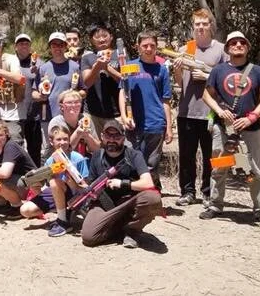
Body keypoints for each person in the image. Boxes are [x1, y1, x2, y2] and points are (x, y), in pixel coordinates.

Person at [200, 31, 260, 228]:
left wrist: (252, 117)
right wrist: (219, 111)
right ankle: (215, 205)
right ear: (227, 48)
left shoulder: (257, 71)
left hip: (249, 130)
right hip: (223, 129)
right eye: (233, 42)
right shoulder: (218, 71)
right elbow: (206, 95)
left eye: (242, 42)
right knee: (219, 167)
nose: (238, 45)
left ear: (247, 47)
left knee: (253, 170)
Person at [172, 9, 228, 206]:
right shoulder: (186, 48)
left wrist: (207, 76)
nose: (201, 27)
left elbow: (228, 79)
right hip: (187, 111)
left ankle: (208, 192)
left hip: (211, 112)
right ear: (193, 26)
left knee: (211, 155)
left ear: (211, 25)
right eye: (197, 24)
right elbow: (180, 83)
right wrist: (177, 69)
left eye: (204, 23)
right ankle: (187, 192)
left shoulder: (221, 50)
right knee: (186, 155)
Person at [80, 119, 163, 248]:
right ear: (102, 137)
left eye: (116, 136)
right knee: (88, 237)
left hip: (128, 203)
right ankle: (121, 227)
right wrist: (87, 189)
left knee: (152, 198)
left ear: (123, 138)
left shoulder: (134, 155)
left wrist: (123, 183)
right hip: (104, 204)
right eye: (108, 136)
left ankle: (132, 231)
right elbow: (90, 184)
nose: (112, 140)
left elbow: (148, 183)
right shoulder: (96, 156)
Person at [118, 30, 172, 189]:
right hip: (133, 124)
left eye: (152, 45)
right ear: (138, 47)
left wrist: (169, 127)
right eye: (145, 45)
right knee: (131, 160)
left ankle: (151, 192)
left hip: (155, 124)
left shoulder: (162, 69)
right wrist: (124, 116)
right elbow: (122, 92)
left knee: (151, 163)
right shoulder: (129, 66)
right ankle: (133, 192)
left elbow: (166, 100)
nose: (149, 49)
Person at [19, 126, 90, 237]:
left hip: (73, 192)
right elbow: (42, 186)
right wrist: (34, 182)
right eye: (59, 139)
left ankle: (62, 221)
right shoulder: (50, 161)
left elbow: (85, 187)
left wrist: (71, 180)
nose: (63, 142)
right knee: (25, 210)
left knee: (54, 182)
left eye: (65, 139)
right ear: (51, 141)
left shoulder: (78, 158)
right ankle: (61, 210)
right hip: (55, 192)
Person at [32, 32, 81, 161]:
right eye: (54, 45)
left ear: (65, 47)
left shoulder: (75, 67)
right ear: (50, 47)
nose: (57, 48)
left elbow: (83, 91)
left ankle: (72, 174)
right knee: (49, 151)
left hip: (69, 118)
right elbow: (33, 93)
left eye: (61, 45)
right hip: (48, 116)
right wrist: (41, 96)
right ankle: (48, 174)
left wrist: (72, 96)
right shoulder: (43, 68)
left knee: (70, 149)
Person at [80, 22, 122, 137]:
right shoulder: (87, 57)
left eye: (105, 36)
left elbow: (125, 81)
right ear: (91, 40)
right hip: (93, 114)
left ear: (111, 37)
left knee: (116, 145)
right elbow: (87, 83)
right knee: (94, 146)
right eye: (97, 37)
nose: (102, 39)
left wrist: (107, 68)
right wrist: (97, 67)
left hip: (117, 113)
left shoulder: (120, 54)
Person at [14, 33, 44, 165]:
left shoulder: (38, 62)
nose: (24, 46)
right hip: (15, 114)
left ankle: (35, 173)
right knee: (16, 148)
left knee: (34, 149)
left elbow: (45, 82)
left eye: (27, 43)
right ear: (15, 47)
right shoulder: (11, 62)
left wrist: (39, 74)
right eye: (21, 43)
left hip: (33, 114)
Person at [47, 90, 99, 154]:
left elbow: (97, 150)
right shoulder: (56, 122)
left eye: (77, 102)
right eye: (69, 103)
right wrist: (78, 133)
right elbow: (63, 150)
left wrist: (87, 136)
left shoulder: (86, 119)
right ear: (61, 106)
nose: (73, 105)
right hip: (60, 158)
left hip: (83, 157)